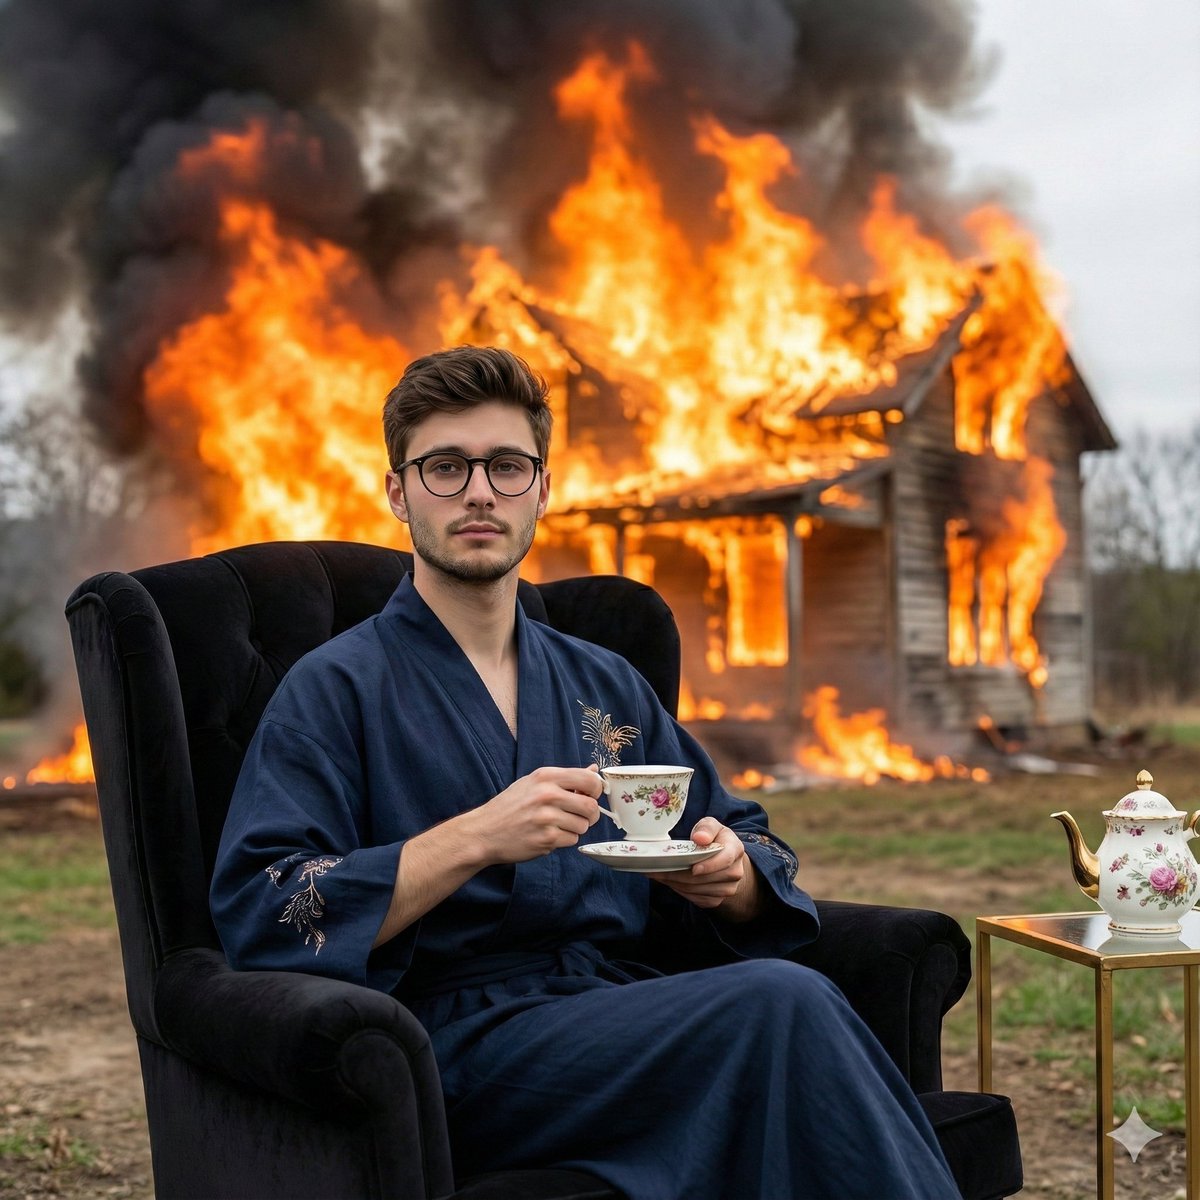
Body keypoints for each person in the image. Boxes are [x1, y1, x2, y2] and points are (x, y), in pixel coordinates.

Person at [210, 345, 961, 1200]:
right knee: (784, 1005)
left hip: (618, 1008)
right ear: (398, 493)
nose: (480, 492)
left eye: (506, 466)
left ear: (543, 488)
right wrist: (474, 839)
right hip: (452, 1044)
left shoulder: (604, 681)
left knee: (784, 1012)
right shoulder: (336, 688)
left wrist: (732, 876)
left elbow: (750, 836)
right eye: (445, 468)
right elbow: (271, 905)